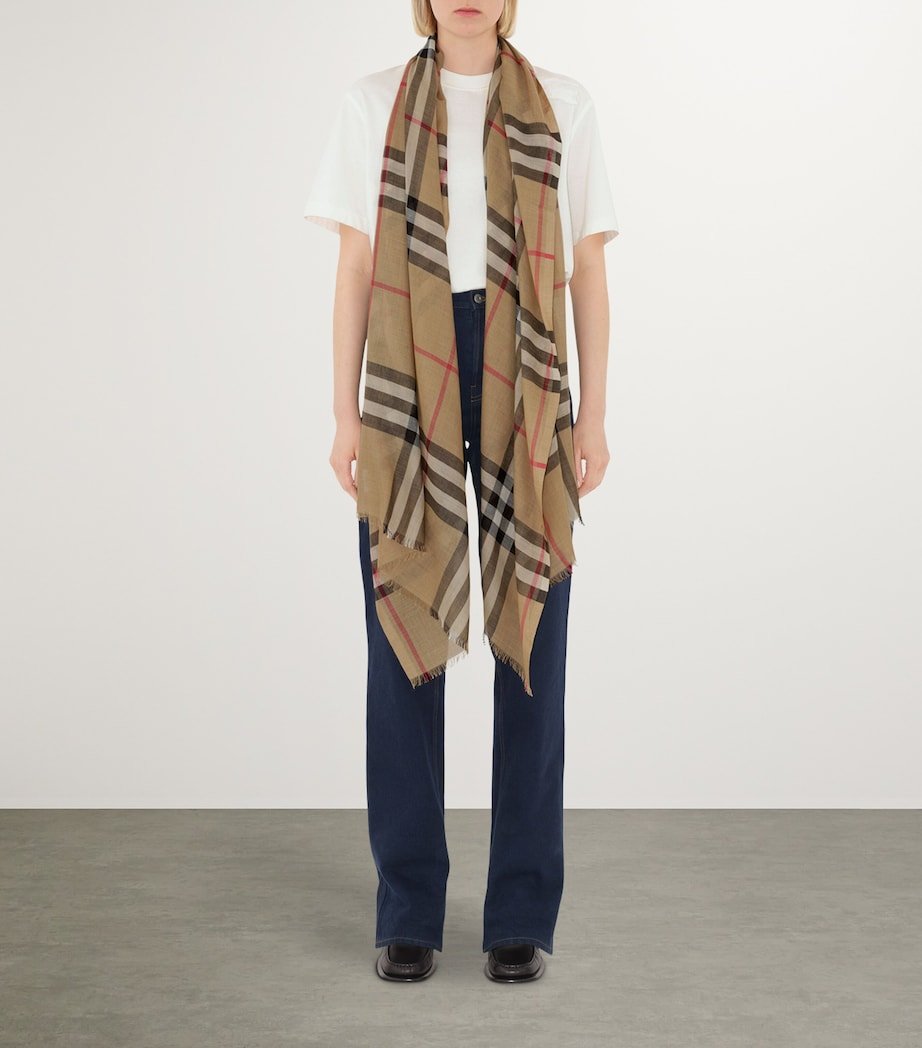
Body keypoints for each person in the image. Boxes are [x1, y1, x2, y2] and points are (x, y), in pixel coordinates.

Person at [303, 0, 618, 983]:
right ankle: (408, 910)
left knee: (535, 647)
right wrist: (345, 414)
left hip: (527, 374)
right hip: (409, 374)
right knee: (404, 638)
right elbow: (357, 264)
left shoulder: (563, 104)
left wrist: (593, 416)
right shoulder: (373, 103)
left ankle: (519, 911)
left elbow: (585, 267)